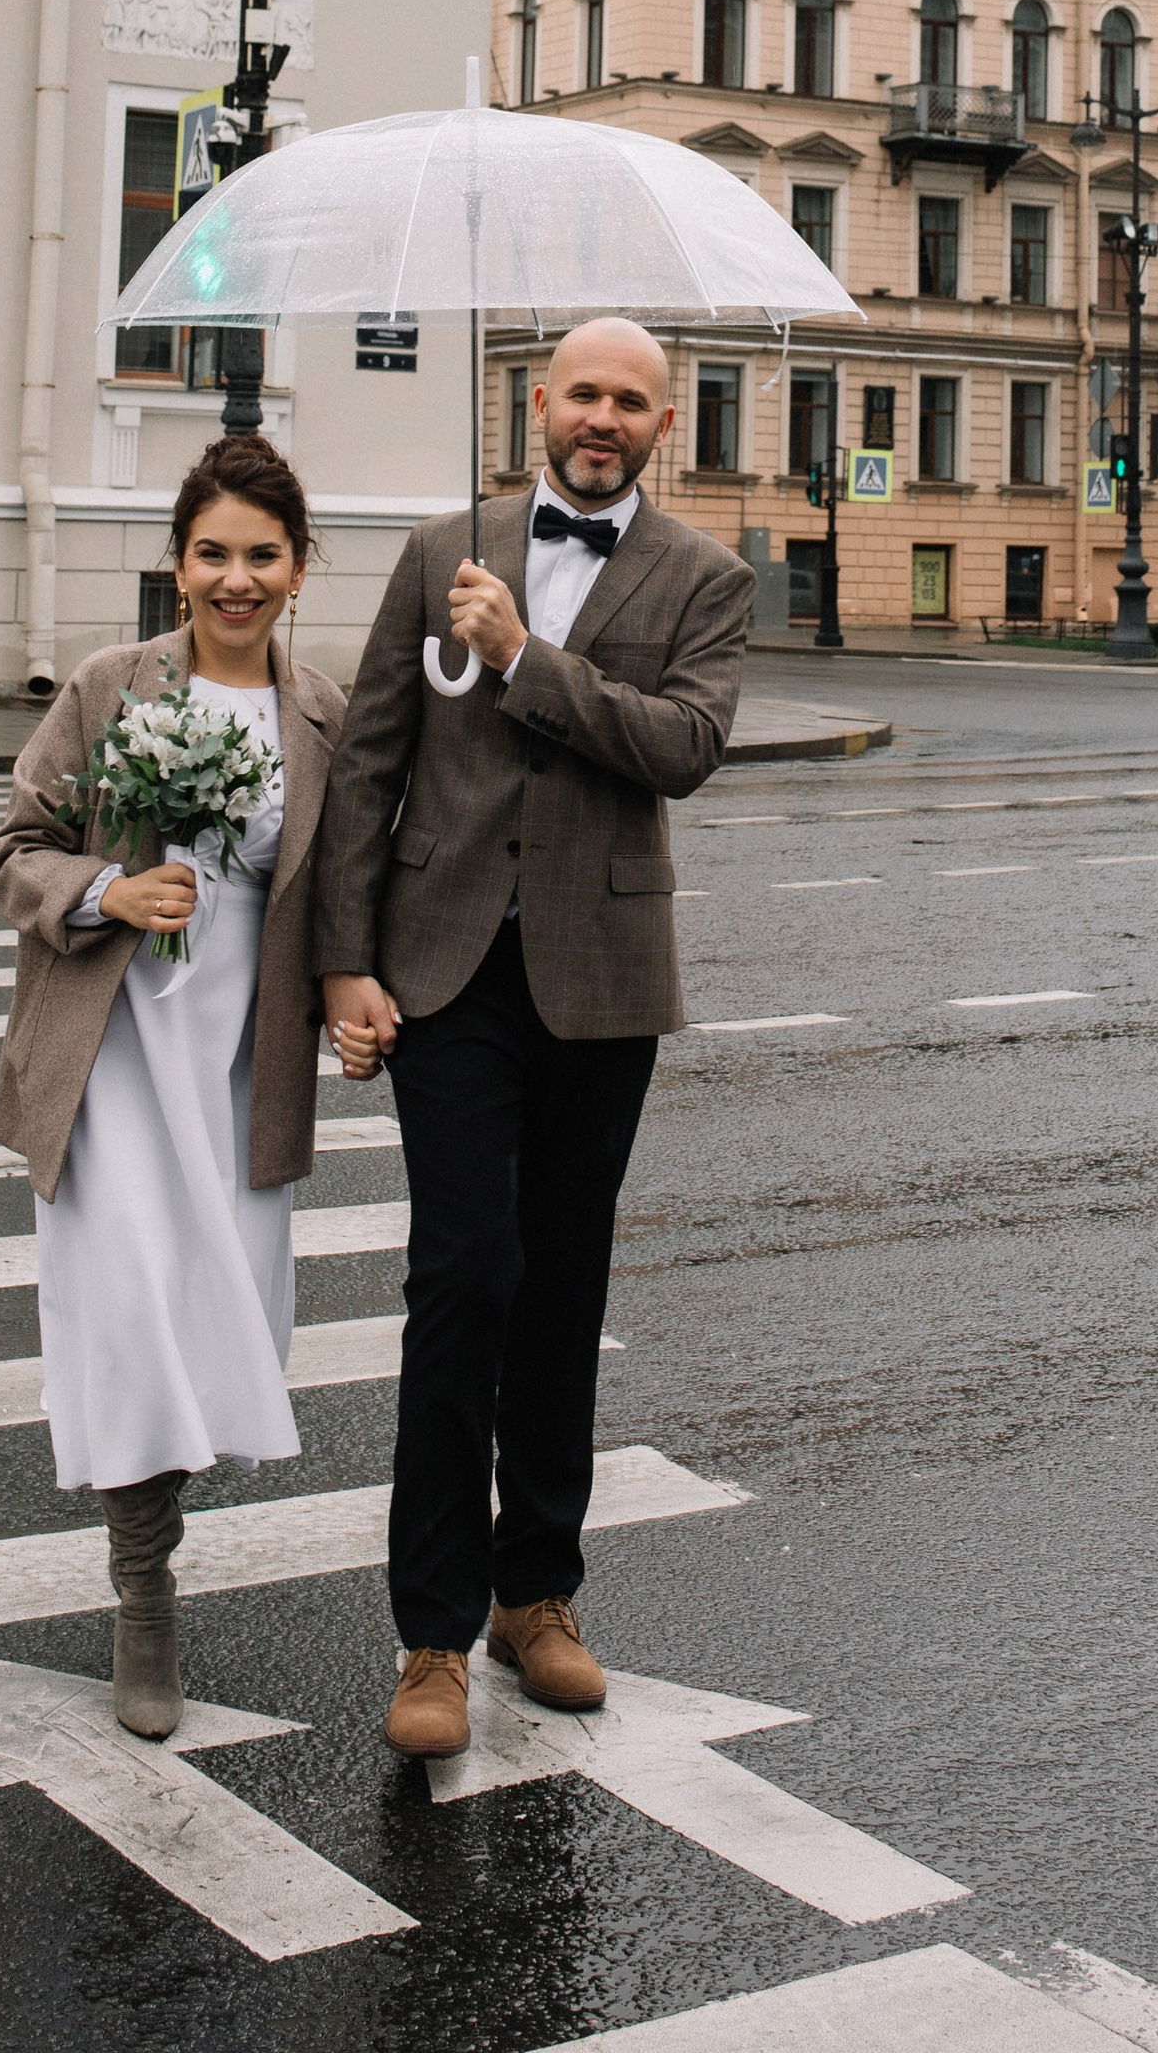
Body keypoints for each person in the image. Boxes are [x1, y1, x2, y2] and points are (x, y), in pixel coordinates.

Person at [314, 315, 754, 1761]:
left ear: (660, 425)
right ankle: (429, 1632)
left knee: (564, 1285)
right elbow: (371, 756)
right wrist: (343, 963)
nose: (604, 418)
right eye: (584, 392)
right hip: (446, 978)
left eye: (632, 401)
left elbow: (680, 748)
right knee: (464, 1277)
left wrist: (522, 655)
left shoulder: (707, 578)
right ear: (539, 402)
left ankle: (539, 1594)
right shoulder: (443, 546)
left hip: (601, 976)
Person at [0, 431, 343, 1739]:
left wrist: (361, 994)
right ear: (176, 562)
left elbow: (346, 885)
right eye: (213, 553)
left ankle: (160, 1526)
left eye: (261, 555)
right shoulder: (105, 686)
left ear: (298, 568)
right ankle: (146, 1606)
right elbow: (13, 847)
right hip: (116, 1059)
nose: (235, 579)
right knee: (130, 1322)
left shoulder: (322, 715)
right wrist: (103, 890)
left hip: (241, 1071)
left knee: (209, 1328)